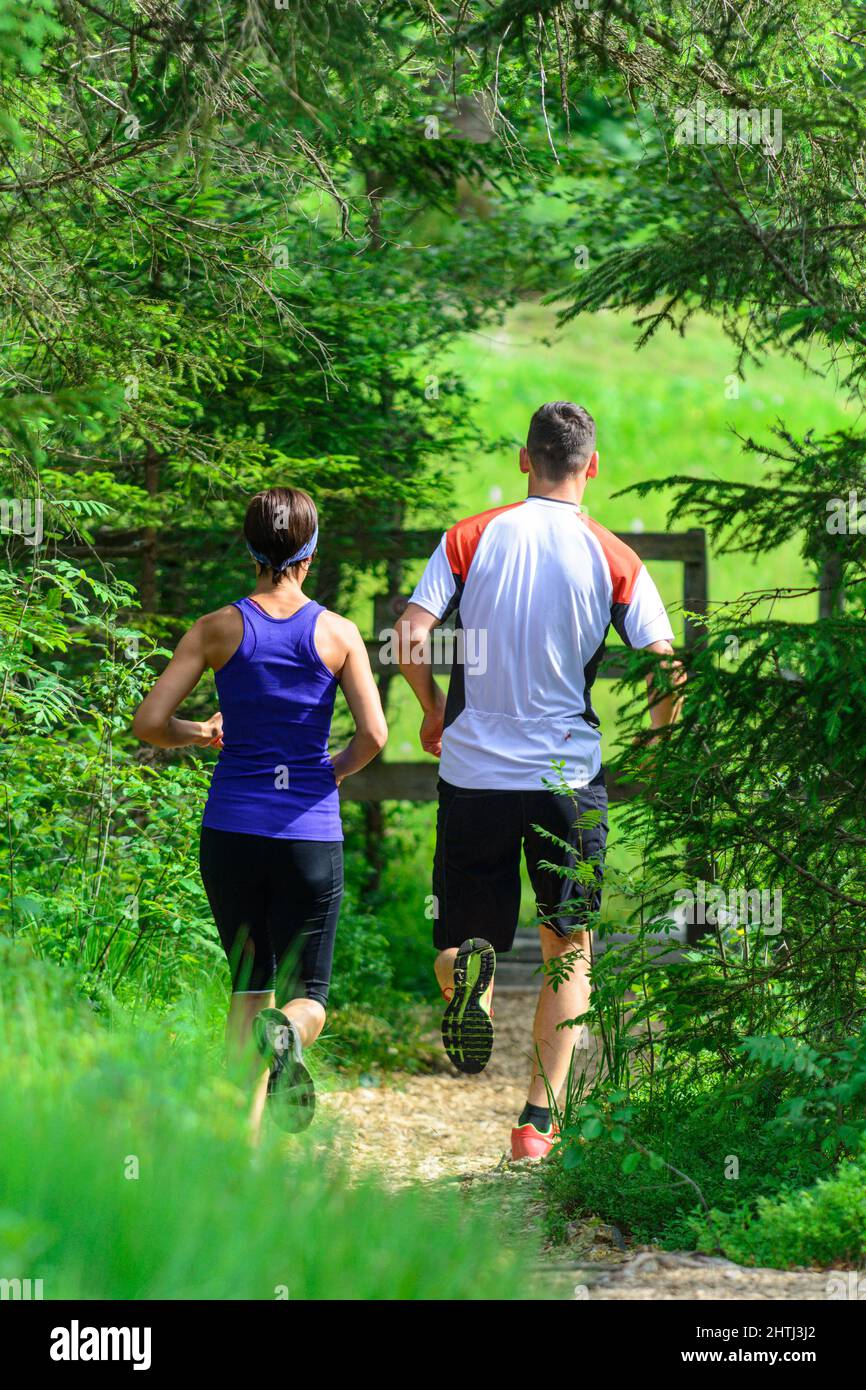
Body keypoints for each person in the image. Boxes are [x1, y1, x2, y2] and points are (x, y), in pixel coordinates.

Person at [397, 402, 681, 1160]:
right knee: (569, 943)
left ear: (526, 461)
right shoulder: (613, 555)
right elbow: (665, 660)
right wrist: (656, 742)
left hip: (473, 770)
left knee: (462, 935)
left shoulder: (471, 536)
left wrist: (431, 710)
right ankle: (536, 1125)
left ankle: (474, 987)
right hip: (566, 776)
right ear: (592, 467)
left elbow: (411, 632)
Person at [133, 487, 387, 1137]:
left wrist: (202, 733)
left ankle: (236, 1153)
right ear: (311, 551)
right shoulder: (337, 633)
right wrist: (327, 772)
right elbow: (376, 736)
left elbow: (150, 722)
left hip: (231, 834)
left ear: (250, 549)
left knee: (248, 990)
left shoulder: (217, 628)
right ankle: (293, 1034)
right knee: (312, 995)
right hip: (307, 834)